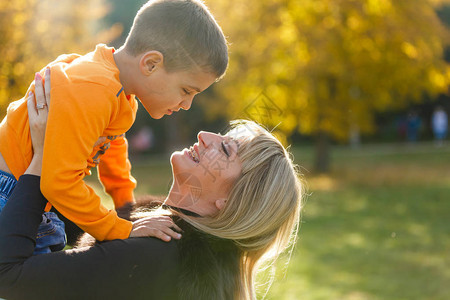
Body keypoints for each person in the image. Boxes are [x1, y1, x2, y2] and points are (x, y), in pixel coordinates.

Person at [0, 76, 303, 300]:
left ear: (232, 201)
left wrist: (42, 159)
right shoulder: (167, 232)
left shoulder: (156, 256)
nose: (204, 135)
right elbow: (89, 236)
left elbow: (8, 276)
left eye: (225, 150)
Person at [0, 0, 228, 252]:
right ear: (151, 63)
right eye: (186, 90)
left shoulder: (120, 94)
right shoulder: (94, 88)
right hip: (9, 194)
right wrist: (121, 229)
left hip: (32, 198)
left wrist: (126, 206)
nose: (187, 104)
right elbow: (58, 183)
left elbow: (113, 147)